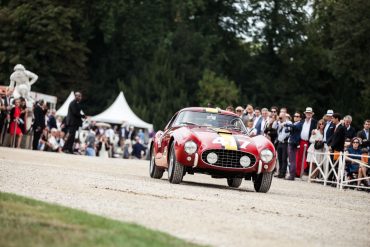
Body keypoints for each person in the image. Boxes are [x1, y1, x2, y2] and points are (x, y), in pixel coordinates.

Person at [296, 107, 317, 177]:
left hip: (309, 142)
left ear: (312, 114)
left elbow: (317, 130)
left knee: (308, 158)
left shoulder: (314, 122)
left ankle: (307, 172)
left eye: (310, 113)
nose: (308, 114)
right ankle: (298, 173)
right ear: (305, 114)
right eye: (307, 113)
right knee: (299, 157)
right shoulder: (302, 121)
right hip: (301, 141)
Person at [285, 112, 303, 180]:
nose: (295, 117)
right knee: (290, 160)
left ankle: (292, 175)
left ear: (300, 118)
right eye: (295, 116)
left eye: (297, 116)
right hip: (290, 142)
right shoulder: (294, 124)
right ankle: (291, 174)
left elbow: (294, 127)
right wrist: (288, 127)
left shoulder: (300, 124)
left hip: (293, 143)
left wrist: (287, 124)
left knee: (292, 160)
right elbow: (287, 130)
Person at [276, 111, 292, 178]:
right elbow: (277, 130)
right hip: (280, 142)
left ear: (285, 117)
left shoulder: (288, 123)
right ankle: (280, 172)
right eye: (280, 117)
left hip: (285, 142)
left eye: (281, 117)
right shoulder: (280, 123)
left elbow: (288, 131)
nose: (280, 118)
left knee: (284, 158)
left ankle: (283, 173)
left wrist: (284, 123)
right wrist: (279, 121)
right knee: (279, 158)